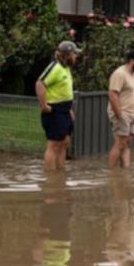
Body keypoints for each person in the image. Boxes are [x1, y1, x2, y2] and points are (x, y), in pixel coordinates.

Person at [36, 40, 80, 171]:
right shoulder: (54, 67)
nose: (76, 57)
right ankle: (50, 179)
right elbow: (40, 83)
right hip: (54, 112)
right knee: (54, 145)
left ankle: (60, 175)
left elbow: (65, 92)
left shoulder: (65, 68)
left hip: (64, 111)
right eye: (74, 54)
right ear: (67, 55)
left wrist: (69, 109)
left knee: (64, 143)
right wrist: (44, 106)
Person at [107, 49, 134, 168]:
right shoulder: (120, 74)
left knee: (126, 144)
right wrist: (119, 114)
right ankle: (111, 174)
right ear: (132, 60)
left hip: (133, 114)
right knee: (120, 144)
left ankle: (125, 174)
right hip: (122, 113)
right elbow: (112, 94)